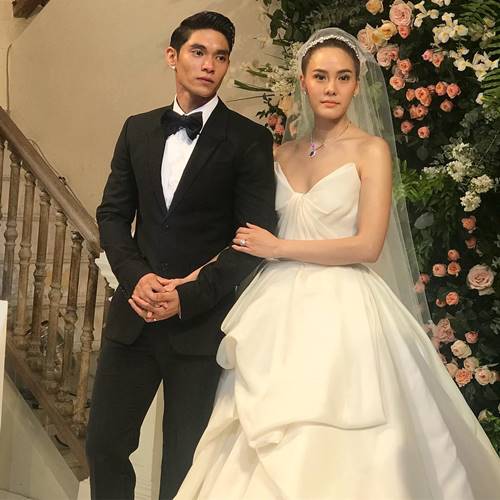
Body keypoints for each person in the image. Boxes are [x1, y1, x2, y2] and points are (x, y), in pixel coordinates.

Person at [171, 28, 500, 499]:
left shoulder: (371, 150)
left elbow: (367, 246)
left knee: (347, 434)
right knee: (258, 430)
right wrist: (190, 278)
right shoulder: (279, 153)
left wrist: (280, 248)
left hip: (345, 306)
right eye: (321, 76)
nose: (331, 88)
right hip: (275, 310)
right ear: (303, 82)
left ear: (356, 85)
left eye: (343, 77)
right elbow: (244, 237)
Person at [85, 11, 276, 500]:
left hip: (201, 324)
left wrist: (188, 296)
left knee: (186, 465)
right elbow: (112, 215)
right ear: (173, 57)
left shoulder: (249, 140)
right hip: (134, 315)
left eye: (220, 57)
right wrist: (136, 278)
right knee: (104, 444)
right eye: (198, 52)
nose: (209, 64)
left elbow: (254, 238)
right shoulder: (137, 129)